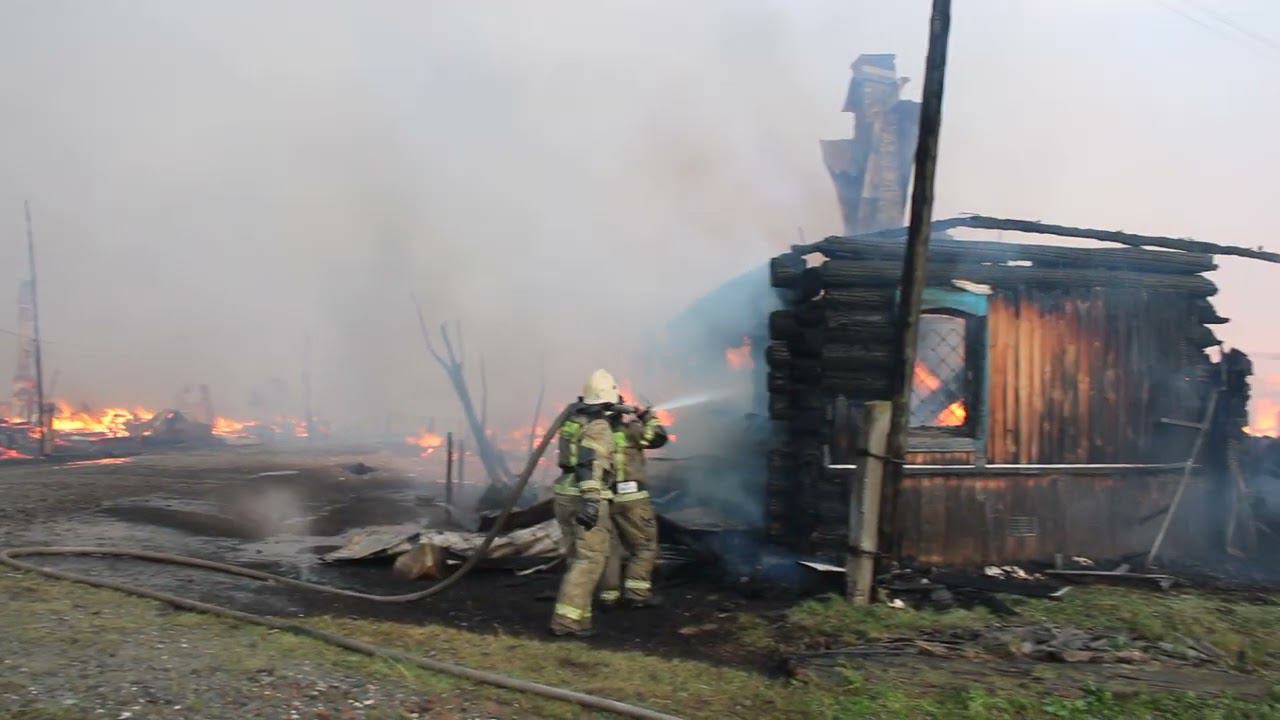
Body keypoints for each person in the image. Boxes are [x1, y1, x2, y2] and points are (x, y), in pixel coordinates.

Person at [549, 369, 619, 637]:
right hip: (585, 495)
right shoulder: (599, 427)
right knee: (590, 560)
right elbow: (591, 463)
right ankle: (566, 621)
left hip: (565, 494)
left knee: (577, 558)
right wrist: (591, 500)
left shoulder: (574, 420)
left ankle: (581, 618)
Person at [597, 402, 668, 609]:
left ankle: (608, 596)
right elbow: (659, 437)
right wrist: (647, 416)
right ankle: (637, 594)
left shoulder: (594, 434)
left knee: (611, 549)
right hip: (633, 499)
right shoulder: (631, 430)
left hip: (606, 497)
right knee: (645, 546)